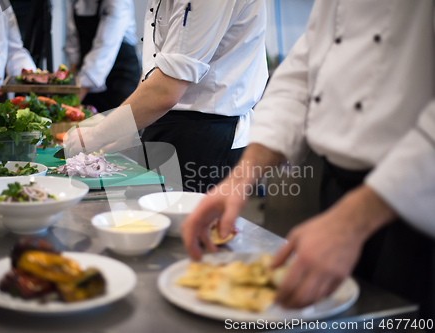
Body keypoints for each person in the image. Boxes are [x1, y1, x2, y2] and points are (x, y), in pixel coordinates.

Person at [181, 0, 435, 320]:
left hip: (418, 204)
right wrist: (239, 179)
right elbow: (303, 73)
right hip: (337, 191)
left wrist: (351, 222)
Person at [66, 0, 268, 193]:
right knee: (148, 220)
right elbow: (155, 72)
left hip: (205, 137)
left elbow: (166, 89)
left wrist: (94, 136)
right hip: (160, 120)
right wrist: (129, 130)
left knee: (186, 227)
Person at [65, 0, 141, 112]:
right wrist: (72, 86)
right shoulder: (75, 2)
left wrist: (71, 102)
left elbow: (103, 50)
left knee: (119, 126)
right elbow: (73, 44)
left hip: (120, 80)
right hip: (87, 82)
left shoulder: (119, 2)